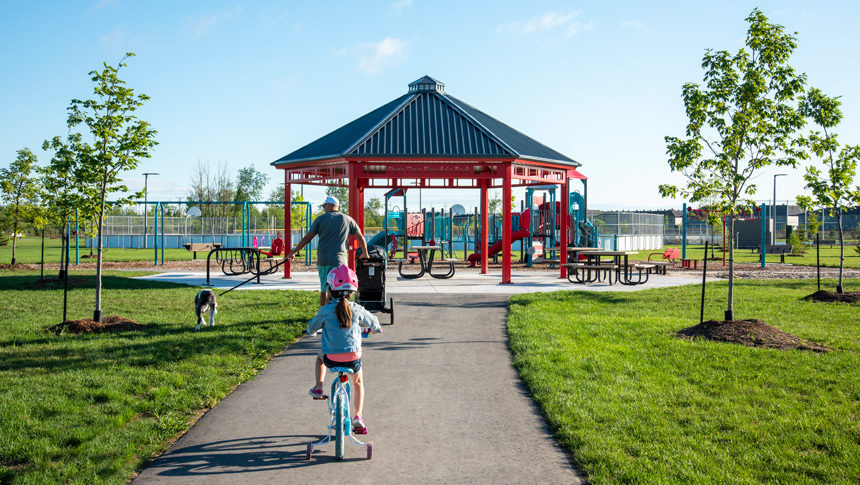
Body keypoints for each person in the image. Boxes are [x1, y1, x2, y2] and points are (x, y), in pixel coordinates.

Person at [306, 265, 381, 434]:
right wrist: (376, 329)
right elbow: (374, 323)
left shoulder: (325, 310)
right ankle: (358, 417)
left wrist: (309, 332)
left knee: (319, 357)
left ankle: (318, 387)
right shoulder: (357, 308)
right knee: (358, 382)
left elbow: (311, 328)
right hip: (353, 359)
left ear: (330, 289)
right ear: (352, 291)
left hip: (330, 358)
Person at [285, 196, 369, 306]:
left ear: (328, 205)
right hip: (339, 261)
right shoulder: (348, 219)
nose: (324, 208)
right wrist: (365, 253)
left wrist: (293, 252)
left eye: (324, 206)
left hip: (323, 260)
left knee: (324, 289)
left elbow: (307, 238)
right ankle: (341, 312)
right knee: (341, 287)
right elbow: (360, 236)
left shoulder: (320, 219)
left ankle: (324, 314)